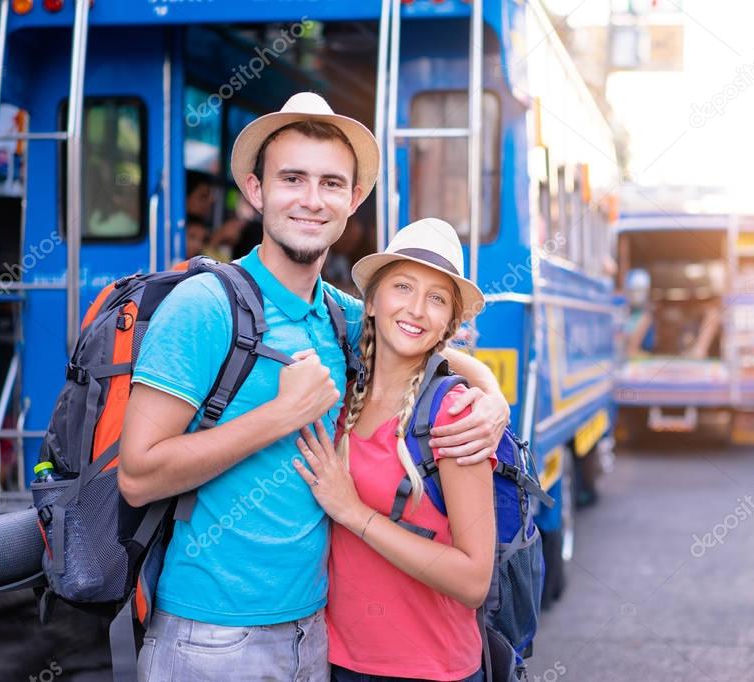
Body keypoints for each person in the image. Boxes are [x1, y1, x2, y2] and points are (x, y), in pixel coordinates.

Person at [119, 92, 510, 682]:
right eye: (292, 178)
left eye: (331, 183)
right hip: (214, 636)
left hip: (315, 634)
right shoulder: (205, 306)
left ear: (353, 201)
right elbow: (138, 476)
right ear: (255, 190)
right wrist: (280, 415)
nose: (311, 199)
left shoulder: (339, 316)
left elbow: (424, 337)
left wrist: (491, 395)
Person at [293, 218, 494, 682]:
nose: (417, 309)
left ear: (449, 323)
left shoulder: (454, 412)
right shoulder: (341, 395)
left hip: (430, 669)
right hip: (339, 661)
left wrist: (353, 512)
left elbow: (473, 580)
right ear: (372, 303)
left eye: (437, 298)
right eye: (403, 287)